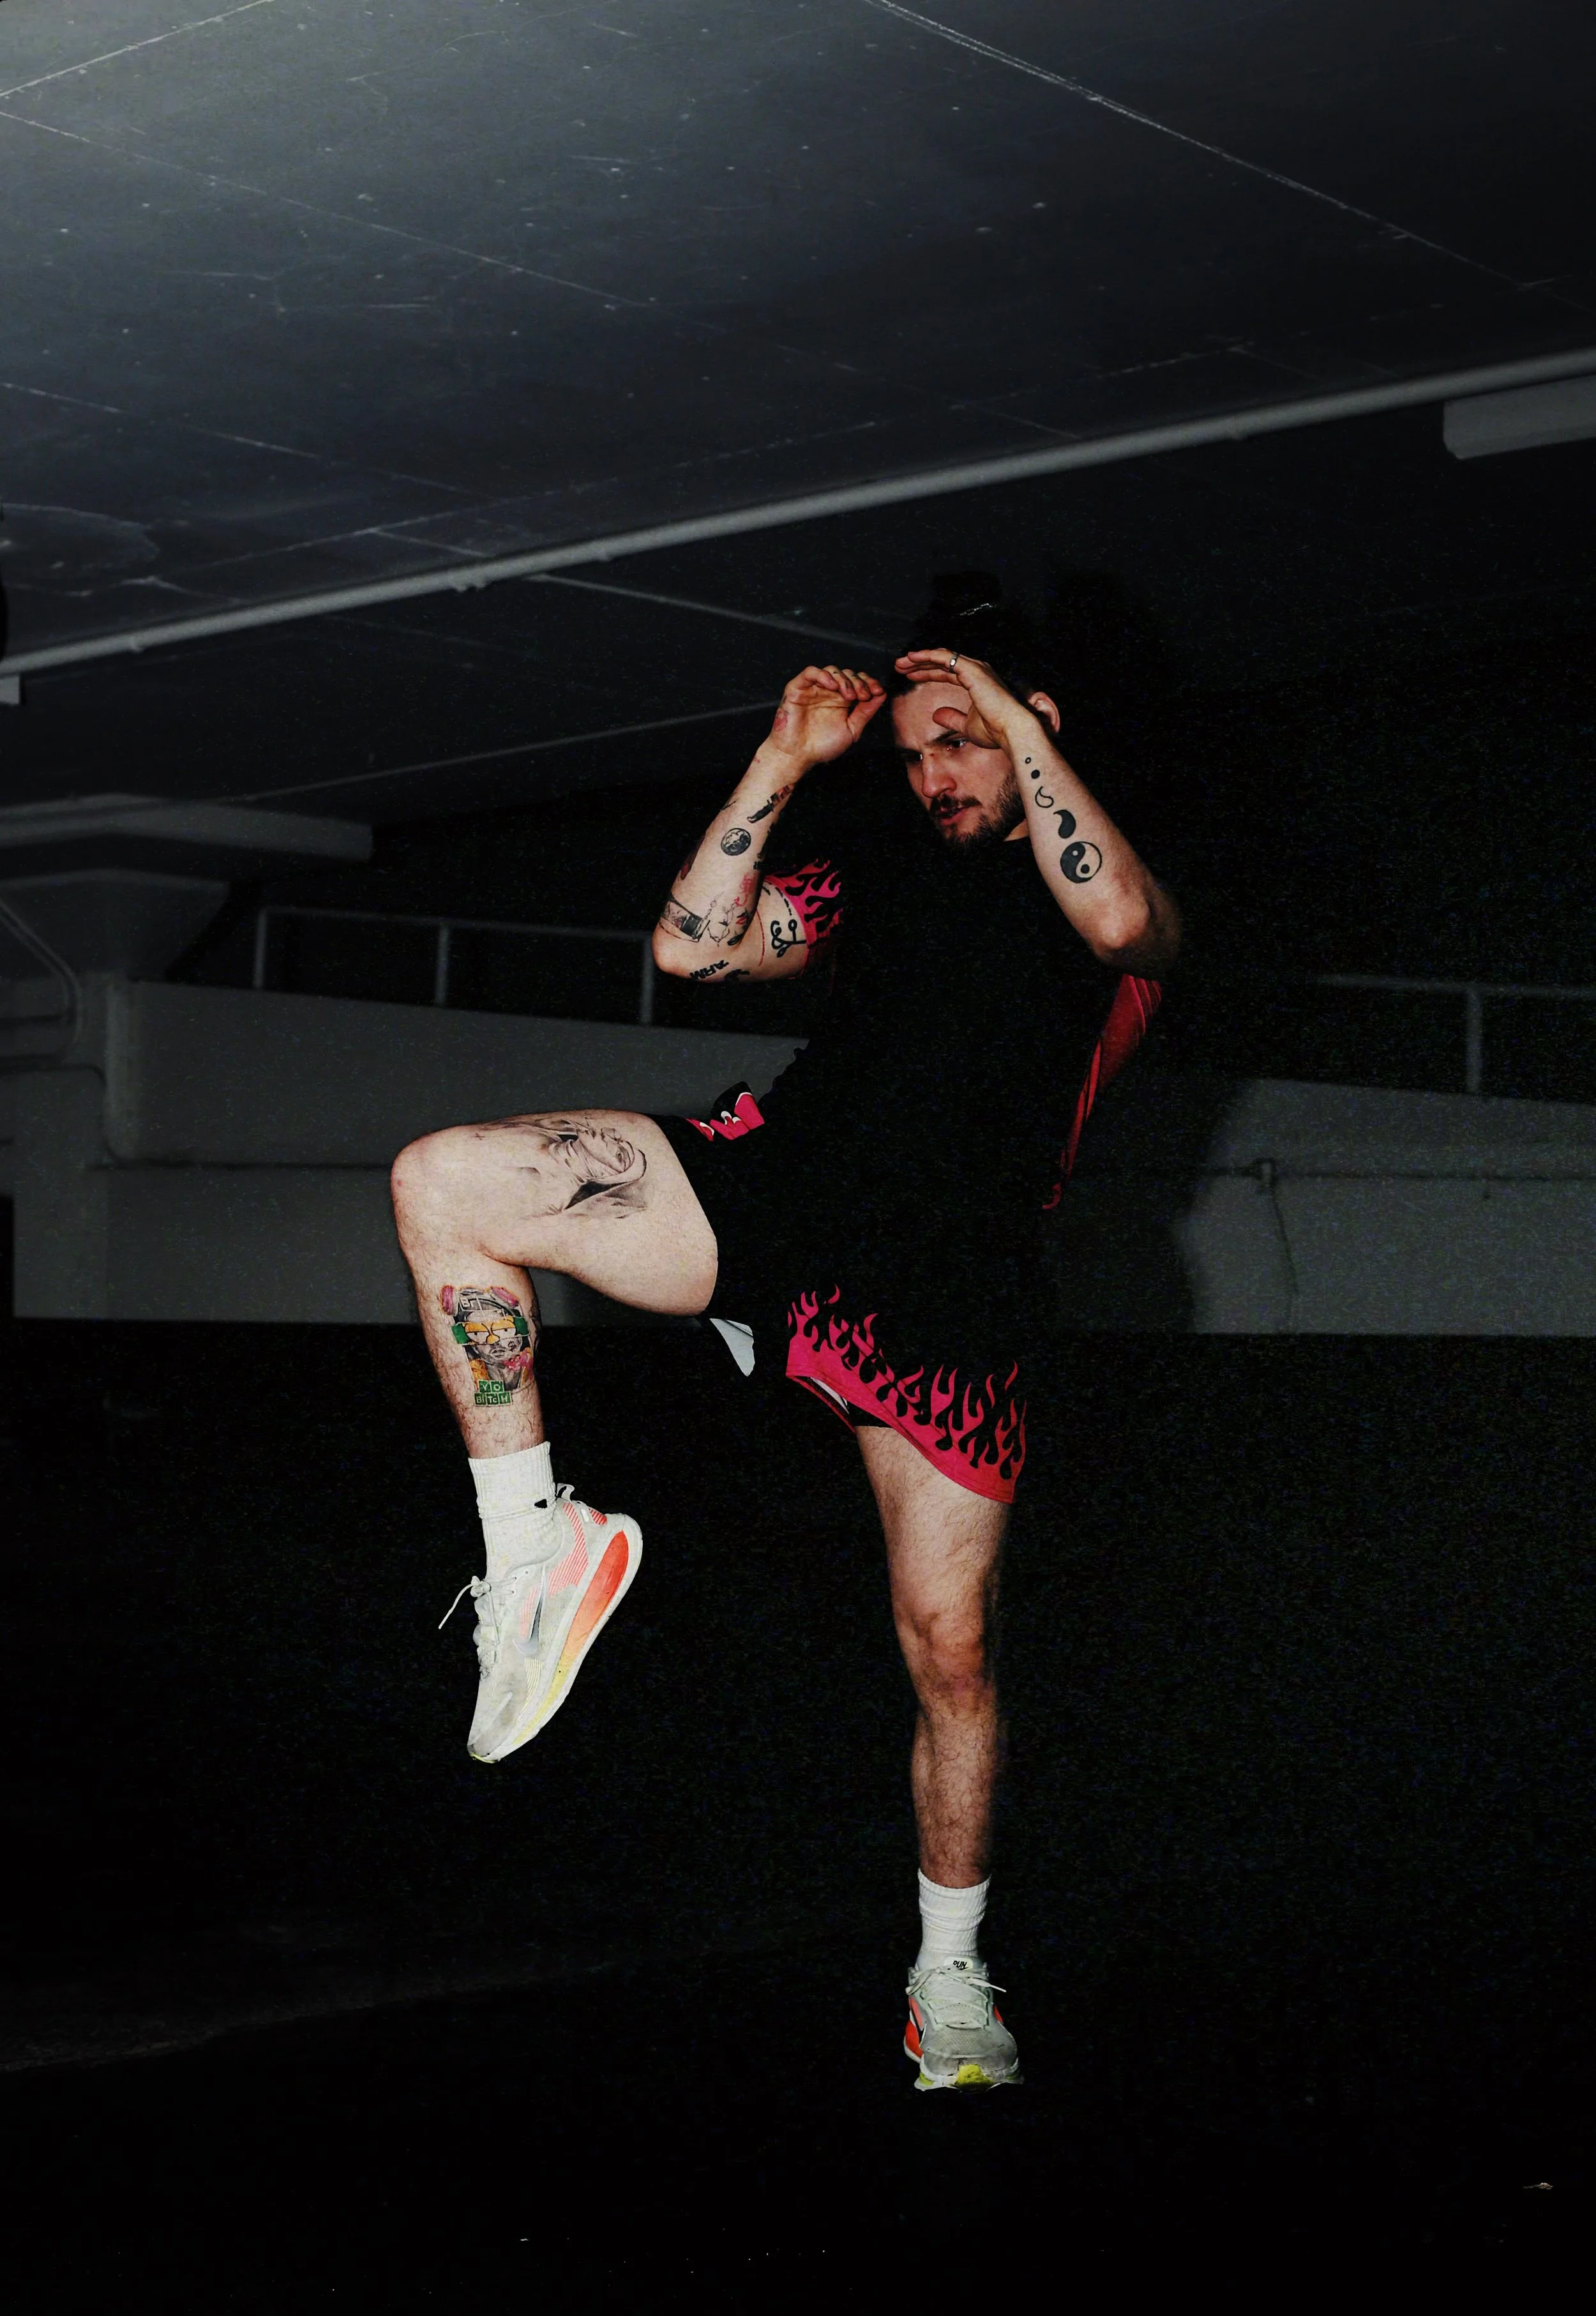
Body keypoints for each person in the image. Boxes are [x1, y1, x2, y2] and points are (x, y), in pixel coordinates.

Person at [391, 579, 1180, 2091]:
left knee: (948, 1652)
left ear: (1033, 731)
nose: (935, 774)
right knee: (444, 1179)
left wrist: (1009, 722)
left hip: (948, 1296)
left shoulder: (1115, 906)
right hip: (773, 1196)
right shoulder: (870, 877)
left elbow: (1124, 918)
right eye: (915, 755)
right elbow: (692, 952)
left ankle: (949, 1977)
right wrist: (780, 762)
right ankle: (536, 1547)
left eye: (961, 743)